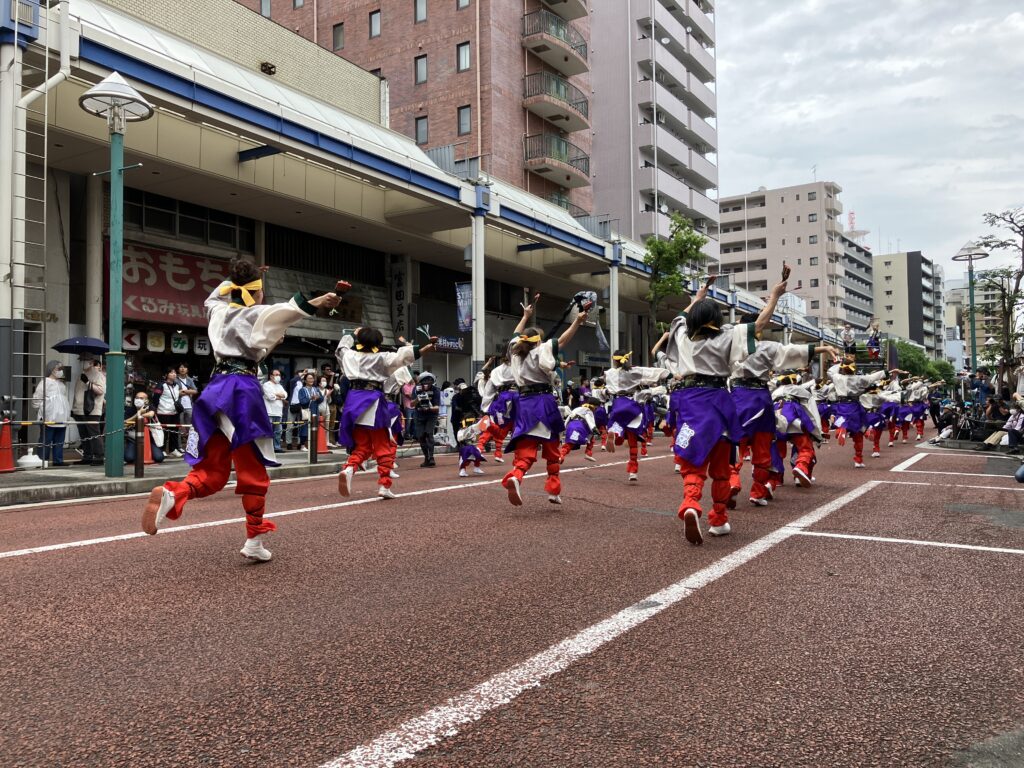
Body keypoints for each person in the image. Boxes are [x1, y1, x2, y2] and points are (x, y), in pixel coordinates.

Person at [141, 258, 342, 561]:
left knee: (213, 471)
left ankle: (175, 493)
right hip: (242, 392)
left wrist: (238, 279)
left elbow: (216, 299)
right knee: (252, 470)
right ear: (256, 292)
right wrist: (322, 299)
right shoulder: (257, 314)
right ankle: (254, 540)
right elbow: (292, 309)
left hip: (215, 389)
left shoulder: (218, 311)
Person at [660, 274, 788, 545]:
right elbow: (760, 323)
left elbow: (680, 319)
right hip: (720, 402)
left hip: (690, 402)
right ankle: (718, 519)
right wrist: (775, 295)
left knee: (692, 460)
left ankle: (691, 503)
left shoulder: (683, 335)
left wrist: (697, 298)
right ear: (717, 320)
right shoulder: (728, 336)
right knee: (721, 466)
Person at [502, 294, 589, 507]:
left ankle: (516, 474)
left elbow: (514, 334)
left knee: (526, 446)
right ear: (538, 340)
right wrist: (577, 321)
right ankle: (553, 489)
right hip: (543, 401)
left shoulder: (515, 351)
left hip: (523, 403)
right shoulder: (541, 350)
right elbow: (562, 340)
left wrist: (525, 316)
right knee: (551, 449)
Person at [335, 328, 435, 499]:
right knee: (383, 445)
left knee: (362, 445)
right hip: (373, 400)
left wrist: (353, 334)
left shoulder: (349, 355)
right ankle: (384, 484)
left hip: (353, 401)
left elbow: (341, 347)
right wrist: (427, 346)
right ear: (379, 343)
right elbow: (405, 355)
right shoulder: (383, 357)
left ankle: (350, 468)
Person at [602, 350, 670, 483]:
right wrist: (669, 373)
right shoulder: (635, 371)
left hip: (617, 404)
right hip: (632, 405)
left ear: (615, 360)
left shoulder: (609, 373)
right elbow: (653, 373)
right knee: (633, 443)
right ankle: (633, 471)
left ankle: (615, 435)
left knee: (617, 431)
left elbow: (604, 389)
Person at [475, 355, 518, 463]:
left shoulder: (499, 371)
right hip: (501, 404)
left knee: (504, 429)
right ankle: (480, 447)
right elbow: (485, 375)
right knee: (503, 428)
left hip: (502, 403)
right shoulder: (497, 373)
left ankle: (496, 453)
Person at [32, 360, 70, 466]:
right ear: (52, 370)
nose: (61, 371)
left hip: (61, 417)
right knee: (46, 439)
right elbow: (37, 398)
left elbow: (63, 399)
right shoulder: (45, 382)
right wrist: (41, 411)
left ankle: (58, 460)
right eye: (59, 369)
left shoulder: (62, 384)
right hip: (48, 416)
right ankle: (43, 460)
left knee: (59, 440)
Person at [71, 353, 105, 465]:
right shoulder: (81, 374)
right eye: (80, 359)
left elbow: (100, 391)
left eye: (84, 359)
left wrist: (88, 382)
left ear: (91, 361)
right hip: (79, 409)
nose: (82, 362)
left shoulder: (98, 375)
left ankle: (99, 456)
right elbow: (77, 392)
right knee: (84, 434)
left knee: (94, 434)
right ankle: (87, 456)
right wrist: (74, 407)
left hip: (92, 410)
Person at [124, 390, 165, 464]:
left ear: (146, 400)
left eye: (141, 398)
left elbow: (150, 414)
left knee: (159, 457)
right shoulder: (130, 409)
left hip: (150, 439)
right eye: (137, 398)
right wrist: (138, 414)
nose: (138, 400)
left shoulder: (150, 407)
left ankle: (147, 452)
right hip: (133, 439)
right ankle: (136, 452)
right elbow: (125, 423)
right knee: (129, 458)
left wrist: (140, 415)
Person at [154, 369, 185, 457]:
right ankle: (162, 450)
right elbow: (156, 398)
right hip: (163, 412)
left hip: (175, 412)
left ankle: (173, 449)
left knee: (174, 431)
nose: (174, 374)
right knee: (164, 432)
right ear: (166, 374)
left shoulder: (176, 385)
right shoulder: (161, 385)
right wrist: (155, 410)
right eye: (171, 372)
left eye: (175, 373)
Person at [413, 371, 441, 467]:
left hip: (431, 414)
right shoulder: (416, 389)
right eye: (424, 382)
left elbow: (437, 407)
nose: (426, 384)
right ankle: (426, 457)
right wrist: (418, 399)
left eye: (429, 382)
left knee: (429, 433)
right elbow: (411, 404)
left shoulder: (436, 390)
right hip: (419, 414)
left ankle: (431, 457)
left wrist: (429, 407)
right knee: (421, 436)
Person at [296, 372, 324, 451]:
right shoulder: (302, 390)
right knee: (304, 428)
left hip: (315, 410)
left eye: (312, 378)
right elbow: (302, 401)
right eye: (309, 378)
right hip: (306, 410)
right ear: (305, 380)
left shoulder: (316, 389)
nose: (311, 380)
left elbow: (321, 399)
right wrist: (310, 398)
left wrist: (318, 398)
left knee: (314, 428)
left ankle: (312, 444)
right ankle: (302, 445)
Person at [262, 368, 288, 452]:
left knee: (278, 431)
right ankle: (268, 448)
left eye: (279, 375)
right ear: (271, 376)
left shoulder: (280, 385)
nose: (278, 377)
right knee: (269, 431)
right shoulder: (266, 385)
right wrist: (279, 396)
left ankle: (277, 447)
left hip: (279, 412)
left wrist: (277, 395)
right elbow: (270, 397)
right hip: (269, 411)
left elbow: (285, 395)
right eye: (276, 375)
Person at [176, 363, 199, 447]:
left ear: (187, 370)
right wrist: (189, 391)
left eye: (184, 367)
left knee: (190, 427)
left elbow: (195, 391)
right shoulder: (175, 379)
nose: (182, 369)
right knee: (179, 427)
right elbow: (175, 393)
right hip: (179, 406)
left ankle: (191, 446)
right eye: (181, 367)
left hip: (189, 406)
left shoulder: (189, 379)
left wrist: (184, 391)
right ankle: (179, 446)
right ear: (178, 369)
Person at [401, 377, 417, 441]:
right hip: (408, 406)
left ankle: (413, 435)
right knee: (408, 422)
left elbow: (416, 394)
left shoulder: (414, 386)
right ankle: (407, 435)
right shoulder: (405, 386)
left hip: (414, 406)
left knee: (414, 421)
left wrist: (414, 396)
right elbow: (409, 396)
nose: (412, 380)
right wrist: (415, 397)